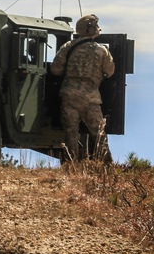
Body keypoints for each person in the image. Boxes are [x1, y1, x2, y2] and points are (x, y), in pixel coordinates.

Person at [49, 14, 115, 161]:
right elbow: (110, 71)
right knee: (98, 134)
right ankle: (106, 166)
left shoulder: (67, 47)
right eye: (96, 26)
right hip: (90, 98)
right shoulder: (101, 50)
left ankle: (70, 166)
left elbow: (55, 69)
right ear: (90, 29)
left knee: (70, 134)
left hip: (69, 97)